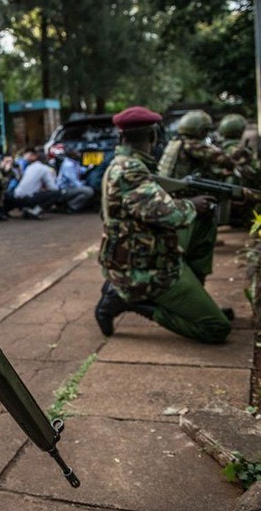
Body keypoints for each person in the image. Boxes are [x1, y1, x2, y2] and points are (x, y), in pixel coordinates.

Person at [95, 106, 231, 343]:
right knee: (216, 327)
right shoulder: (130, 169)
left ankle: (193, 298)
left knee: (202, 223)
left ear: (121, 137)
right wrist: (192, 205)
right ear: (153, 136)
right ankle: (135, 303)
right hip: (148, 267)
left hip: (142, 252)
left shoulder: (123, 163)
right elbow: (167, 214)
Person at [3, 149, 64, 219]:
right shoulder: (45, 169)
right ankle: (35, 211)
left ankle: (26, 209)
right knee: (56, 193)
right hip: (28, 199)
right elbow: (52, 188)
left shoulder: (30, 167)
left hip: (16, 197)